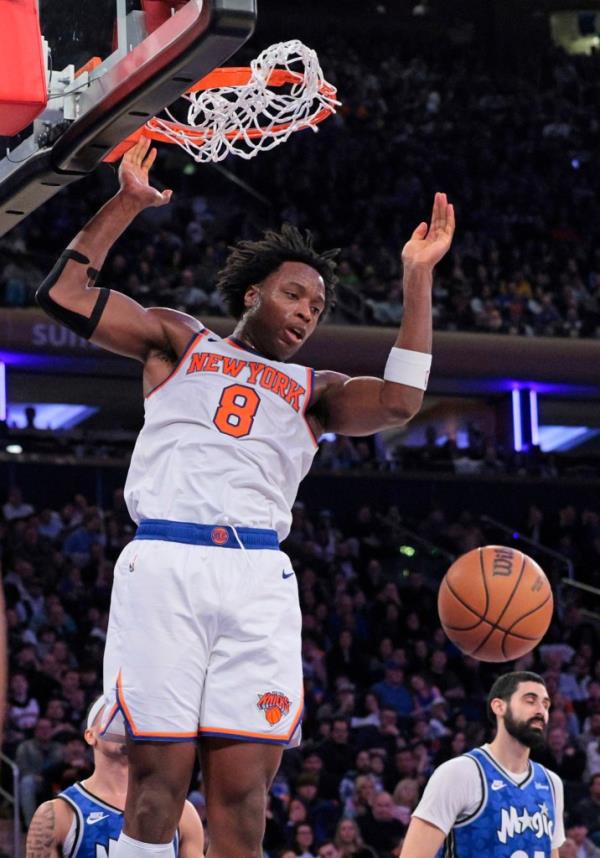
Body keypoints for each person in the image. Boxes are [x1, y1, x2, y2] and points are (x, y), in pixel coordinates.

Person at [35, 137, 455, 858]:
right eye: (294, 294)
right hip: (168, 559)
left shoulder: (316, 391)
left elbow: (399, 403)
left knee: (246, 797)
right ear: (253, 293)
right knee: (158, 788)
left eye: (318, 307)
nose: (306, 313)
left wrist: (417, 279)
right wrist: (126, 202)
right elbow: (65, 294)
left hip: (260, 576)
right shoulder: (179, 340)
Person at [401, 671, 566, 857]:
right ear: (499, 706)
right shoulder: (459, 773)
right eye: (530, 701)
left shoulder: (551, 783)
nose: (540, 711)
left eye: (546, 704)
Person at [25, 697, 203, 857]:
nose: (121, 722)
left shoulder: (180, 811)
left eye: (128, 716)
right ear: (90, 735)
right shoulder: (59, 812)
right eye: (113, 715)